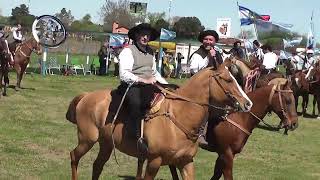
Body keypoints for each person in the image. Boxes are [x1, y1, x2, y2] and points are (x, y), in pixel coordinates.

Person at [118, 23, 167, 153]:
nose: (145, 37)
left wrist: (166, 85)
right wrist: (143, 80)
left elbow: (154, 72)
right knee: (137, 102)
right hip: (132, 84)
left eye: (148, 35)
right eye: (142, 34)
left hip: (149, 84)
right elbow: (124, 74)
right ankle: (136, 136)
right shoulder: (128, 51)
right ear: (136, 36)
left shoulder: (151, 51)